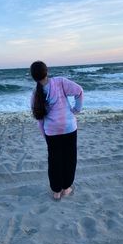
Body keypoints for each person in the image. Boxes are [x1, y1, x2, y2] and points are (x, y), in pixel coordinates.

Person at [30, 61, 83, 201]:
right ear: (46, 71)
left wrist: (45, 135)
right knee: (70, 158)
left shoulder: (35, 93)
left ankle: (56, 192)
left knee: (54, 161)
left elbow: (39, 120)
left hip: (51, 132)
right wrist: (76, 110)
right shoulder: (60, 82)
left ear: (33, 77)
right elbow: (79, 91)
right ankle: (66, 188)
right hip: (69, 127)